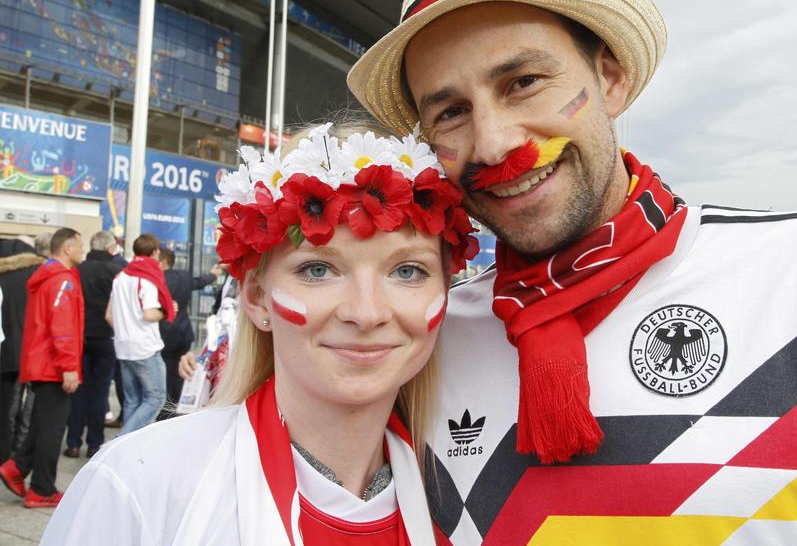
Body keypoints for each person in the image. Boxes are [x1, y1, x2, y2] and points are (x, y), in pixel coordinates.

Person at [347, 0, 797, 543]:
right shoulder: (424, 342)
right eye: (452, 112)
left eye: (523, 82)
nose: (495, 144)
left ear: (611, 79)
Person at [41, 121, 476, 544]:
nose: (366, 312)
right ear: (256, 297)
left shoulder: (472, 502)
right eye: (318, 269)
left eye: (407, 270)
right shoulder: (137, 484)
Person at [0, 228, 84, 508]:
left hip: (43, 362)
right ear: (68, 249)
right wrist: (69, 367)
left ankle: (18, 467)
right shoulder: (62, 280)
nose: (82, 251)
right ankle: (41, 488)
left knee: (42, 422)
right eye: (79, 246)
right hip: (52, 365)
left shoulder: (49, 276)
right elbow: (61, 327)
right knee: (52, 428)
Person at [63, 230, 125, 459]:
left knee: (78, 390)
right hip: (106, 338)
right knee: (99, 391)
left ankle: (72, 442)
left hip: (78, 337)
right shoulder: (116, 272)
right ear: (110, 249)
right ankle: (94, 443)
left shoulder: (75, 271)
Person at [106, 233, 176, 435]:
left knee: (132, 400)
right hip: (145, 347)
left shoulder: (120, 278)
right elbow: (149, 314)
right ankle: (121, 441)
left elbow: (109, 315)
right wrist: (167, 310)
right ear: (155, 252)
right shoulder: (147, 279)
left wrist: (124, 331)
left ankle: (127, 451)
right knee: (156, 398)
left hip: (123, 346)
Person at [156, 248, 221, 418]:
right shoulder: (184, 277)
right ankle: (174, 410)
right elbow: (199, 282)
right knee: (178, 374)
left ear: (162, 261)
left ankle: (163, 409)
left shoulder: (156, 279)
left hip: (162, 333)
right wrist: (213, 274)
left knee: (162, 374)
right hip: (182, 333)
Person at [0, 237, 45, 462]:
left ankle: (5, 454)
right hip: (32, 349)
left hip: (6, 350)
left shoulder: (4, 276)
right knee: (29, 404)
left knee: (7, 406)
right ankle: (19, 450)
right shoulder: (37, 273)